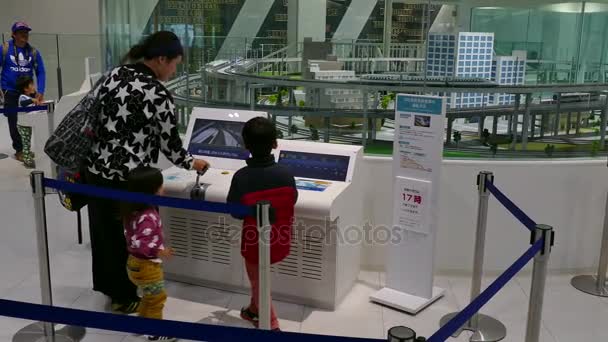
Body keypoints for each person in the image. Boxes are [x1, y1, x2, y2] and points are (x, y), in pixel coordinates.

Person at [85, 31, 210, 314]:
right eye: (175, 63)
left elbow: (91, 115)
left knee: (105, 234)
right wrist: (193, 163)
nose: (174, 70)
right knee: (132, 235)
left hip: (95, 169)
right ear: (161, 59)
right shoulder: (156, 92)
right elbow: (170, 143)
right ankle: (127, 294)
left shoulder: (114, 75)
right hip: (129, 178)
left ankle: (112, 289)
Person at [227, 117, 298, 331]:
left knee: (258, 280)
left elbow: (235, 212)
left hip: (253, 243)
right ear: (275, 143)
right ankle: (253, 310)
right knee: (259, 279)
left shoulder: (242, 177)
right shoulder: (286, 174)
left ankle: (272, 323)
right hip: (281, 239)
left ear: (245, 145)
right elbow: (291, 200)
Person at [122, 167, 175, 342]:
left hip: (133, 264)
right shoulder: (148, 216)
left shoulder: (132, 211)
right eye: (160, 186)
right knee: (157, 298)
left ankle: (142, 324)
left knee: (147, 296)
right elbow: (142, 243)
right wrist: (160, 251)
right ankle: (155, 333)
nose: (163, 189)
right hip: (147, 267)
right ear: (151, 190)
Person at [0, 22, 45, 162]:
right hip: (10, 91)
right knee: (14, 121)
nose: (24, 34)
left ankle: (29, 148)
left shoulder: (33, 52)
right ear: (13, 34)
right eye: (20, 32)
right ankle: (19, 150)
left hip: (28, 91)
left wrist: (41, 91)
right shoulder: (5, 49)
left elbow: (41, 72)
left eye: (26, 32)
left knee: (32, 119)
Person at [15, 75, 40, 168]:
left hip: (27, 123)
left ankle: (27, 153)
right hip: (23, 125)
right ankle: (26, 159)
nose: (34, 87)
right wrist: (32, 100)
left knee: (28, 140)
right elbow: (23, 103)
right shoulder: (23, 97)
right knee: (26, 142)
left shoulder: (28, 96)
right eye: (32, 85)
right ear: (25, 88)